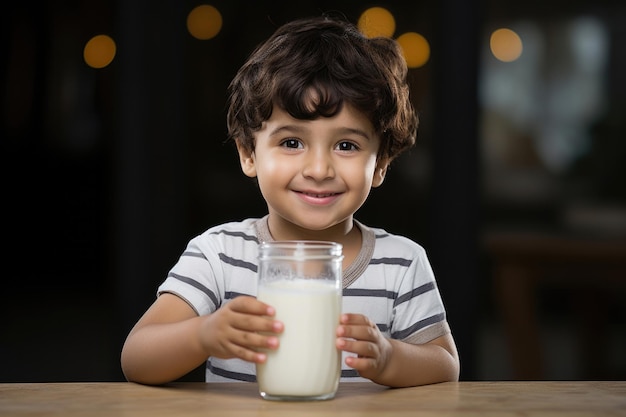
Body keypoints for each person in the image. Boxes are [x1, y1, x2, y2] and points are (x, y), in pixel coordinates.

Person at [120, 14, 460, 387]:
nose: (318, 168)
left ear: (380, 165)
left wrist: (390, 356)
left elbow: (445, 366)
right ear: (249, 153)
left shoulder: (401, 264)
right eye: (291, 142)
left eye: (346, 145)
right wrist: (202, 334)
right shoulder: (219, 255)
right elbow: (137, 356)